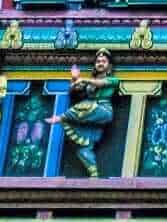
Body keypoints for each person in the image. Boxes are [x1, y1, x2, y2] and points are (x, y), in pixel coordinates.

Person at [46, 49, 119, 178]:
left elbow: (101, 83)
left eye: (103, 61)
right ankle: (94, 174)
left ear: (109, 66)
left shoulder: (113, 80)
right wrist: (74, 80)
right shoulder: (89, 84)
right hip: (90, 117)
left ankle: (60, 117)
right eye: (98, 61)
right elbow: (74, 90)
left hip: (103, 111)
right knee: (83, 149)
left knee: (85, 104)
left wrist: (83, 79)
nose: (100, 63)